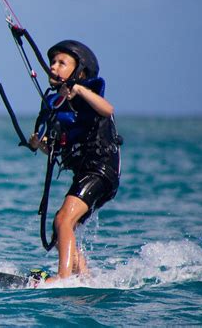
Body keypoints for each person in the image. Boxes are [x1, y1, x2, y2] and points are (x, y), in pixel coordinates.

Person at [28, 40, 121, 282]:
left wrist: (79, 90)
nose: (53, 67)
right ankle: (86, 277)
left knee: (64, 220)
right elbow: (54, 148)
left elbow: (107, 109)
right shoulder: (54, 104)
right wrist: (40, 145)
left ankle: (63, 277)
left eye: (62, 63)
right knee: (60, 230)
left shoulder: (88, 95)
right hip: (84, 174)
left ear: (79, 73)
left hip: (101, 171)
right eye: (52, 62)